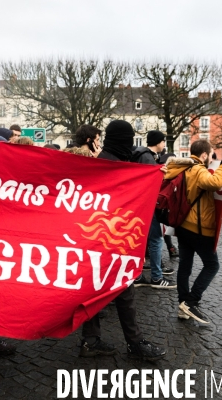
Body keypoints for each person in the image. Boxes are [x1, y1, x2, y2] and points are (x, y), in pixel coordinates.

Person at [79, 120, 166, 361]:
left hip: (99, 241)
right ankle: (134, 343)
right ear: (123, 140)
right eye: (129, 139)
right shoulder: (113, 165)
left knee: (95, 292)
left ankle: (92, 340)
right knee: (123, 293)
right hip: (109, 242)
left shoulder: (106, 160)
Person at [164, 139, 222, 324]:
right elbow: (215, 183)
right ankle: (191, 302)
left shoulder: (181, 167)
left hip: (182, 225)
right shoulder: (198, 169)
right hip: (197, 228)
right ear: (203, 155)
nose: (211, 158)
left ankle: (182, 306)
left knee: (185, 265)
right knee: (212, 265)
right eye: (211, 155)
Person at [132, 130, 176, 289]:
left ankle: (138, 276)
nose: (164, 144)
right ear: (157, 142)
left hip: (140, 205)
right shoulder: (147, 157)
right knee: (156, 240)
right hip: (147, 205)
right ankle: (157, 277)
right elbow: (152, 182)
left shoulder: (141, 154)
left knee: (142, 241)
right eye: (163, 141)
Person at [158, 151, 179, 258]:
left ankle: (171, 248)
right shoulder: (171, 175)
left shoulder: (161, 172)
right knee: (158, 235)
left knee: (162, 230)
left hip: (161, 207)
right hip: (162, 207)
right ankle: (170, 248)